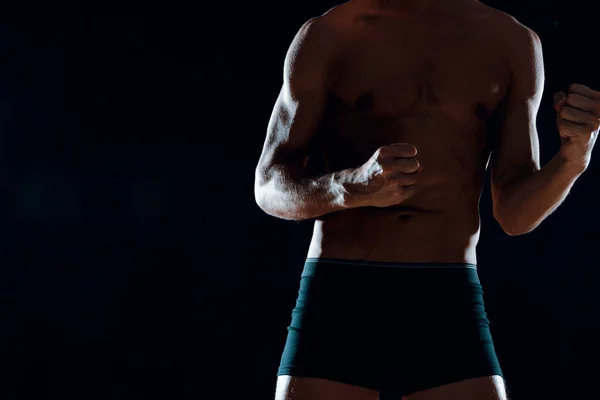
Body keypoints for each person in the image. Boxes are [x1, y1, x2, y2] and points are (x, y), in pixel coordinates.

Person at [253, 0, 600, 398]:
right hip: (341, 292)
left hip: (447, 295)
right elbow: (268, 186)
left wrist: (573, 160)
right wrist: (349, 186)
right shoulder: (332, 34)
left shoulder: (511, 43)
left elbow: (515, 215)